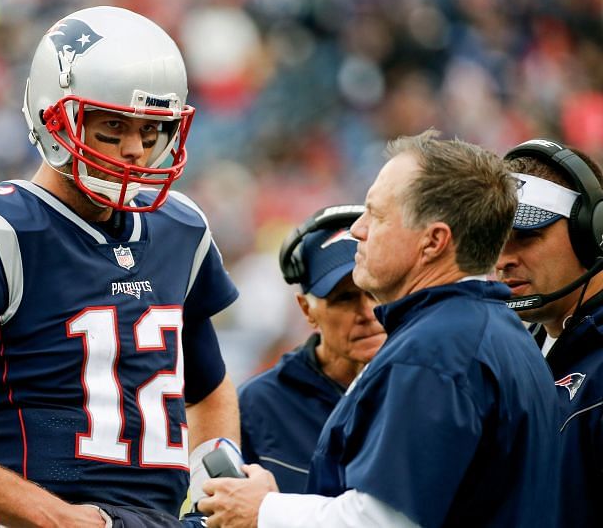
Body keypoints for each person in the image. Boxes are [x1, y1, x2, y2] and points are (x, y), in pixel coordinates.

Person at [0, 6, 240, 528]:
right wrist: (55, 518)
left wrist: (220, 485)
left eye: (152, 129)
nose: (135, 149)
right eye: (113, 125)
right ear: (53, 116)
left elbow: (209, 386)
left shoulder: (180, 227)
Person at [198, 129, 561, 528]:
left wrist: (263, 510)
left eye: (378, 214)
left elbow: (383, 521)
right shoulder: (497, 331)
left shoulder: (435, 350)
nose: (359, 228)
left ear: (433, 242)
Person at [237, 205, 385, 492]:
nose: (367, 312)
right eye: (344, 298)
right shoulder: (258, 407)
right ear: (307, 310)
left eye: (375, 292)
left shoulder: (423, 387)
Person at [495, 138, 603, 527]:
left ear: (592, 231)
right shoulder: (521, 354)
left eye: (526, 236)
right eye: (497, 239)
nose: (503, 259)